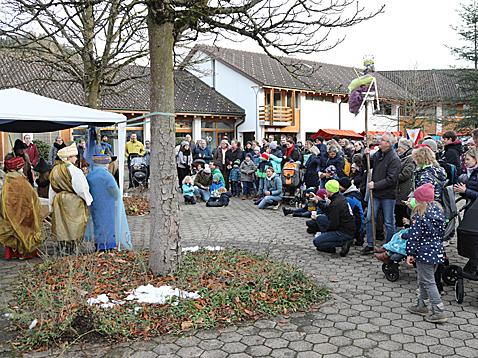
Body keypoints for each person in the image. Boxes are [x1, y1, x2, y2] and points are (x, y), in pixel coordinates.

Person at [406, 183, 448, 323]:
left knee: (429, 281)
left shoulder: (419, 215)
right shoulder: (438, 212)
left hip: (424, 253)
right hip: (437, 252)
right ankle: (421, 304)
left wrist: (410, 253)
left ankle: (438, 311)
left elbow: (414, 236)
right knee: (423, 279)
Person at [49, 143, 93, 254]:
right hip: (72, 200)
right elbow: (81, 188)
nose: (76, 158)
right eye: (74, 156)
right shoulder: (75, 171)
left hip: (58, 199)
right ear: (69, 158)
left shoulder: (55, 170)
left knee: (61, 223)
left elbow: (52, 188)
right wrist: (88, 200)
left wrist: (51, 203)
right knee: (74, 224)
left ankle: (61, 245)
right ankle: (71, 247)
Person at [362, 133, 401, 255]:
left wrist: (375, 185)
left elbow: (392, 179)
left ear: (389, 144)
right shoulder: (379, 154)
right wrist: (366, 156)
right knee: (369, 218)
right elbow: (367, 166)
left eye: (383, 140)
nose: (380, 142)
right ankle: (370, 244)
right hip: (375, 194)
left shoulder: (394, 159)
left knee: (389, 222)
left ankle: (389, 246)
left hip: (387, 195)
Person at [86, 154, 132, 251]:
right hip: (107, 204)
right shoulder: (107, 175)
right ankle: (107, 245)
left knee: (97, 223)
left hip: (94, 204)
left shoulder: (90, 175)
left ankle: (98, 244)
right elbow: (115, 191)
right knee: (108, 224)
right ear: (105, 163)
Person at [0, 156, 42, 259]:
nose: (23, 169)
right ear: (17, 168)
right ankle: (24, 252)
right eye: (21, 167)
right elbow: (30, 197)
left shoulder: (8, 179)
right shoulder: (20, 181)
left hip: (10, 213)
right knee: (25, 231)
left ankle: (12, 254)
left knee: (13, 230)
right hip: (23, 212)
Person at [312, 180, 355, 257]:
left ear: (330, 191)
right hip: (345, 228)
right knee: (320, 219)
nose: (325, 191)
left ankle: (344, 242)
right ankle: (329, 241)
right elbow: (328, 210)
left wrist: (326, 234)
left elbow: (334, 224)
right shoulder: (338, 197)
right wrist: (317, 202)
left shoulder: (336, 203)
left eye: (326, 190)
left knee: (317, 242)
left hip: (344, 232)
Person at [454, 149, 478, 274]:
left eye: (468, 159)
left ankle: (473, 266)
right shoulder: (470, 172)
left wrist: (465, 191)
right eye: (464, 160)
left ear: (476, 159)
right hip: (471, 208)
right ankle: (472, 262)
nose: (465, 162)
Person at [338, 177, 365, 247]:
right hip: (358, 223)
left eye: (340, 185)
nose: (338, 187)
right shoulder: (354, 193)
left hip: (357, 225)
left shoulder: (349, 198)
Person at [395, 138, 415, 226]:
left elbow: (405, 174)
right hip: (400, 191)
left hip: (404, 192)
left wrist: (392, 177)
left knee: (403, 216)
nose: (397, 149)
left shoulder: (410, 159)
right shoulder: (403, 157)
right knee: (399, 215)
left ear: (404, 148)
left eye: (399, 147)